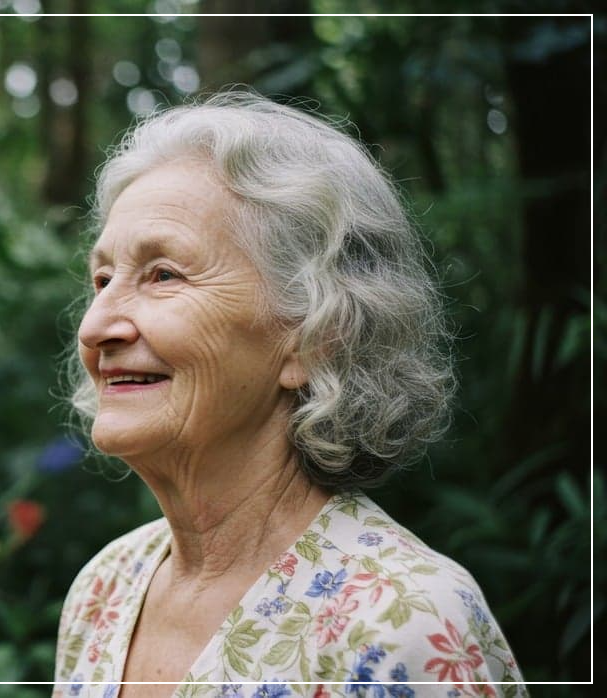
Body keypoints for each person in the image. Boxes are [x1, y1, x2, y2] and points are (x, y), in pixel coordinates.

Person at [53, 92, 526, 697]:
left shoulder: (401, 624)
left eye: (163, 275)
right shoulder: (106, 588)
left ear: (314, 336)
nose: (95, 326)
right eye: (102, 279)